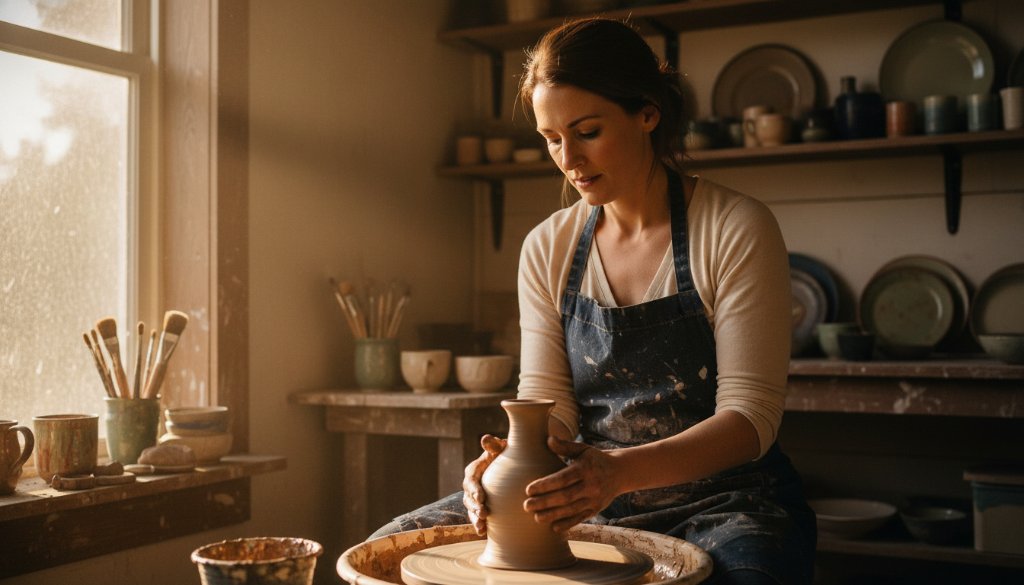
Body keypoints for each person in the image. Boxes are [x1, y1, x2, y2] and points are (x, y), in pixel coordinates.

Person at [370, 17, 816, 584]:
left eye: (586, 131)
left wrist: (617, 472)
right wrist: (502, 463)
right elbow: (547, 408)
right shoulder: (548, 247)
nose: (568, 159)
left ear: (647, 112)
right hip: (591, 493)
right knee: (387, 552)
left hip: (725, 502)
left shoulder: (735, 227)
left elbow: (750, 420)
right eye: (552, 138)